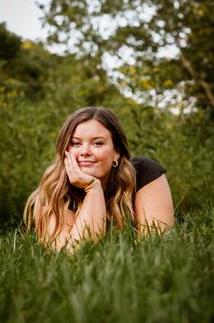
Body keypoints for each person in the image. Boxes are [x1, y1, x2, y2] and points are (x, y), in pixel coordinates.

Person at [24, 106, 174, 253]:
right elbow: (73, 254)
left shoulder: (143, 173)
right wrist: (93, 188)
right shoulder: (53, 193)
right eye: (76, 143)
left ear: (116, 152)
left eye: (97, 143)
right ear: (65, 151)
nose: (85, 152)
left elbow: (156, 244)